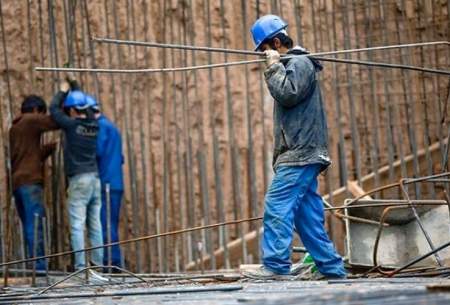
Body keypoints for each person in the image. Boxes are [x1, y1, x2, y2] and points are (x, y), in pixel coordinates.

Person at [243, 15, 346, 280]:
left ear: (276, 42)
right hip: (303, 152)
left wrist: (274, 67)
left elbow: (287, 94)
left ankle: (276, 266)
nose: (263, 56)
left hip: (300, 153)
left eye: (264, 49)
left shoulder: (299, 62)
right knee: (307, 217)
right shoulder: (294, 63)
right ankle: (332, 268)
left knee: (277, 204)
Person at [49, 78, 104, 277]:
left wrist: (63, 90)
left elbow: (53, 110)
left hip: (79, 180)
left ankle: (81, 268)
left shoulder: (72, 126)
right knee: (95, 225)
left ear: (72, 110)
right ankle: (98, 266)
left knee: (77, 224)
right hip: (95, 179)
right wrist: (75, 85)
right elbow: (85, 106)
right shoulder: (94, 125)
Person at [10, 95, 58, 270]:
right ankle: (39, 267)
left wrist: (47, 149)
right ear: (37, 110)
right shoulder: (30, 120)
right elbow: (55, 122)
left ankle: (34, 265)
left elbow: (28, 156)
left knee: (29, 225)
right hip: (30, 182)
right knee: (35, 224)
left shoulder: (15, 126)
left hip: (18, 182)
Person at [86, 95, 124, 269]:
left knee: (105, 224)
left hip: (106, 183)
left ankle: (111, 263)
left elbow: (98, 151)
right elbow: (120, 157)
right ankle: (113, 261)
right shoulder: (113, 127)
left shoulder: (100, 126)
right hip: (116, 182)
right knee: (111, 223)